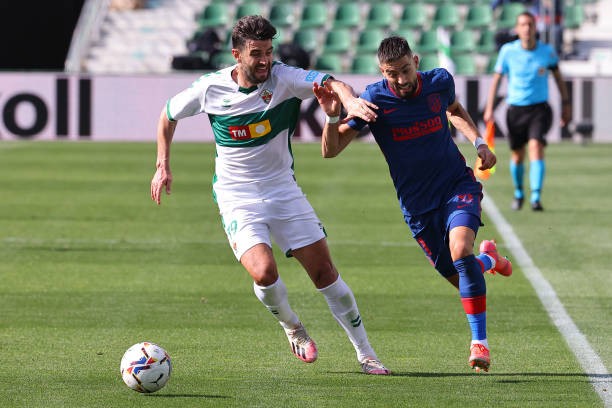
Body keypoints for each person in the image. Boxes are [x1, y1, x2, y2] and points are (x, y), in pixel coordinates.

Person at [150, 15, 389, 375]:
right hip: (236, 196)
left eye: (269, 52)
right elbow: (168, 116)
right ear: (237, 54)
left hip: (282, 189)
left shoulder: (284, 78)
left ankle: (367, 353)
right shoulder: (210, 89)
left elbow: (332, 82)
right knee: (263, 272)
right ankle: (293, 326)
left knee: (325, 273)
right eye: (256, 53)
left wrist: (349, 102)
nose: (264, 61)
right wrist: (162, 164)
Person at [313, 36, 513, 372]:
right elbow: (330, 150)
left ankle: (480, 343)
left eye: (406, 70)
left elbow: (454, 109)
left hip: (456, 185)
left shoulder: (439, 82)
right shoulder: (374, 100)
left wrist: (478, 142)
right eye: (393, 74)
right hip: (417, 207)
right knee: (459, 273)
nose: (402, 80)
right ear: (382, 72)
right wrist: (333, 118)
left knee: (459, 250)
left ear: (416, 61)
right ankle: (488, 260)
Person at [484, 11, 571, 211]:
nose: (527, 28)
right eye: (523, 24)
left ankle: (536, 197)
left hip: (540, 109)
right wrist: (489, 108)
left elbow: (558, 78)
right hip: (515, 110)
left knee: (536, 147)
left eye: (530, 24)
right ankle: (519, 193)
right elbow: (497, 79)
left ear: (535, 27)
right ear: (517, 28)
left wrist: (566, 104)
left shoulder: (547, 51)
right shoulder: (508, 51)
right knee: (517, 155)